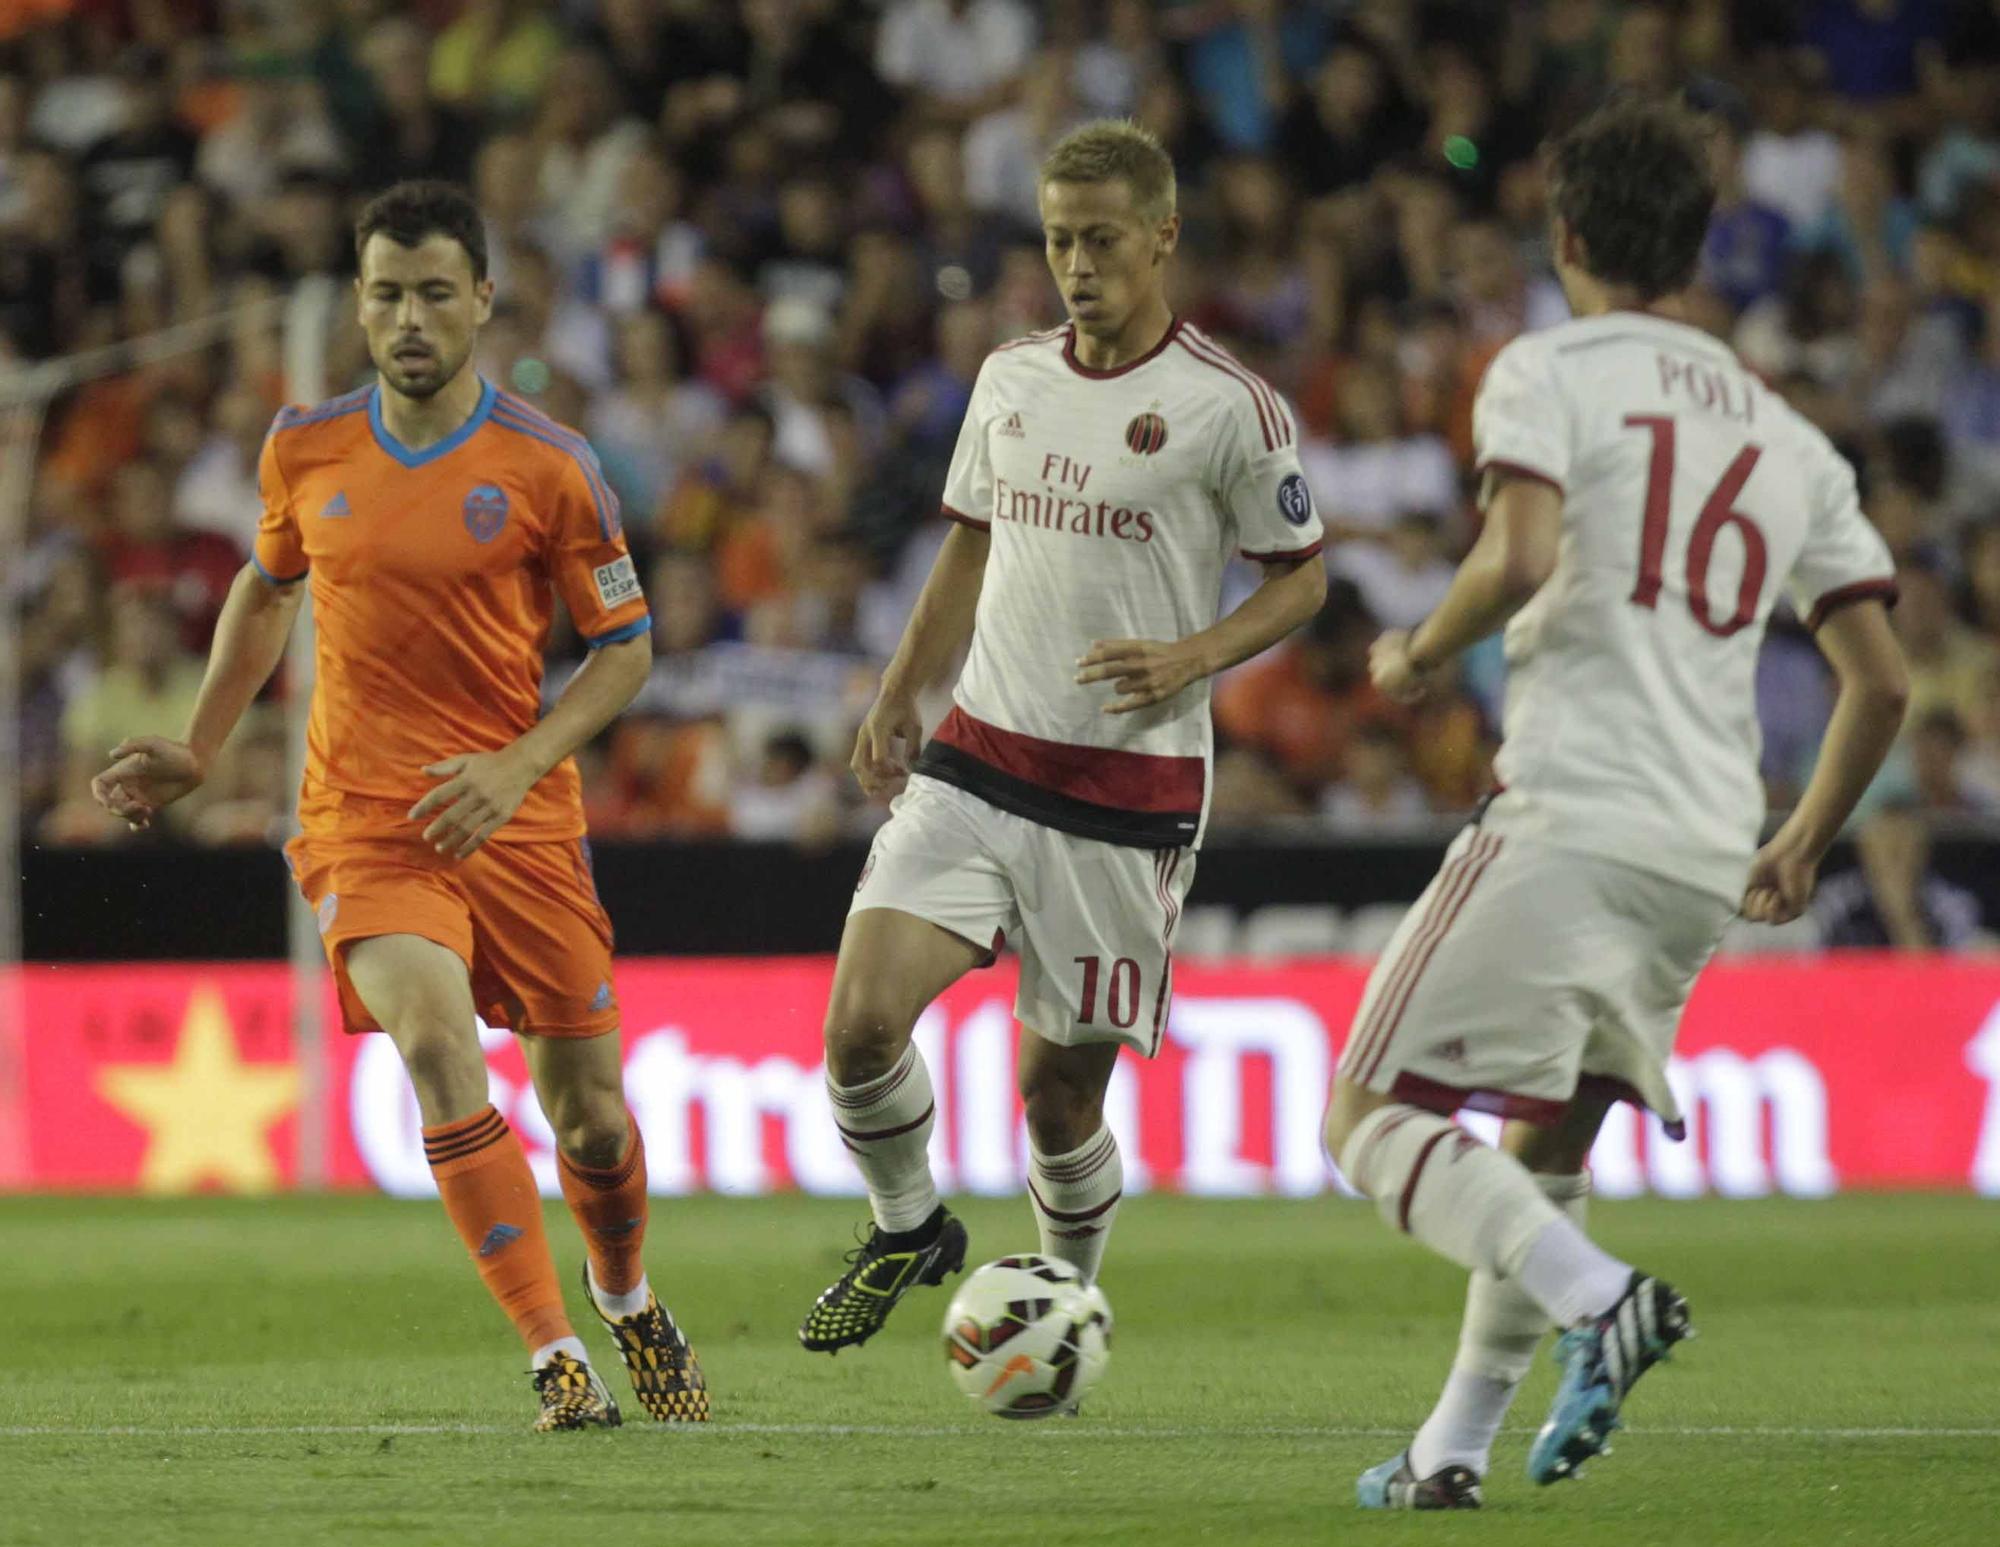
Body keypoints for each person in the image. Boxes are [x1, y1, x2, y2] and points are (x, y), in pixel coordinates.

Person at [1322, 100, 1909, 1510]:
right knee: (1545, 1145)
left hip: (1576, 802)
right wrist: (1802, 837)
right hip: (1707, 841)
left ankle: (1605, 1300)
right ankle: (1449, 1449)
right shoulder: (1785, 434)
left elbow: (1519, 550)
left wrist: (1414, 645)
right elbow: (1880, 681)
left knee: (1363, 1114)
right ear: (1698, 243)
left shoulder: (1546, 368)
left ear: (1565, 234)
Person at [88, 182, 705, 1433]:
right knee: (435, 1048)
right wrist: (208, 744)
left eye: (434, 292)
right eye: (385, 294)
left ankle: (625, 1296)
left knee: (589, 1114)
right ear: (358, 306)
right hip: (365, 814)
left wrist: (519, 763)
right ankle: (553, 1357)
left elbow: (627, 648)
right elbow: (266, 593)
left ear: (483, 299)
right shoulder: (302, 448)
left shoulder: (551, 464)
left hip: (517, 818)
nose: (409, 317)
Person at [796, 119, 1328, 1353]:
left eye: (1099, 240)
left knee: (1056, 1097)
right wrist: (897, 689)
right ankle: (907, 1223)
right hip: (979, 757)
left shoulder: (1226, 408)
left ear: (1161, 238)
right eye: (1056, 240)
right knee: (858, 1025)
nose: (1075, 264)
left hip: (1126, 793)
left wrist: (1193, 656)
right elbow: (970, 539)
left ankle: (1062, 1301)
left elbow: (1300, 578)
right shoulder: (1010, 377)